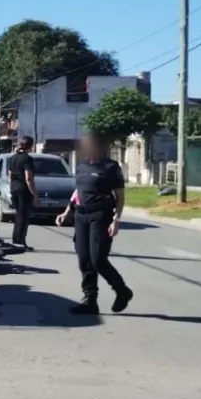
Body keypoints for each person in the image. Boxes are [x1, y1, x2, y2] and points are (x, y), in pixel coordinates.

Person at [56, 132, 133, 316]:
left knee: (98, 258)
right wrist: (67, 211)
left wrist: (117, 220)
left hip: (101, 215)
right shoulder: (82, 165)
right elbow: (79, 190)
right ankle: (90, 300)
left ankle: (121, 290)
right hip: (81, 215)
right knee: (84, 258)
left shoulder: (110, 167)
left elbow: (120, 196)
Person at [6, 135, 37, 250]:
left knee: (19, 216)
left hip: (14, 188)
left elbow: (10, 176)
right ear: (30, 146)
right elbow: (28, 179)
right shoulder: (27, 159)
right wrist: (35, 195)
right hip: (24, 190)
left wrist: (11, 189)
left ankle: (16, 240)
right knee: (23, 217)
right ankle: (20, 242)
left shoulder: (12, 158)